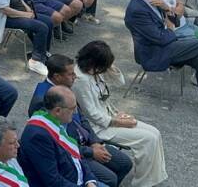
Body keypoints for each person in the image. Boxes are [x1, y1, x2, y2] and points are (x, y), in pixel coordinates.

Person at [72, 41, 168, 187]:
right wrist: (117, 121)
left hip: (111, 115)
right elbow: (91, 114)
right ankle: (143, 183)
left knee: (155, 132)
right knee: (148, 139)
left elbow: (120, 83)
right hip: (100, 127)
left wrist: (110, 67)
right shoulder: (81, 80)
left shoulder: (94, 69)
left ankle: (152, 178)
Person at [29, 56, 133, 187]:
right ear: (57, 76)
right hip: (72, 151)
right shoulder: (43, 101)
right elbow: (57, 142)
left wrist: (95, 142)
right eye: (71, 74)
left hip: (87, 141)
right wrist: (91, 152)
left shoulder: (65, 87)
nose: (75, 77)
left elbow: (82, 118)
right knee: (109, 178)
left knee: (124, 163)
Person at [18, 86, 101, 187]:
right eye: (72, 109)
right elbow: (53, 181)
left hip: (82, 180)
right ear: (58, 110)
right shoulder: (38, 136)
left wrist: (90, 180)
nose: (75, 112)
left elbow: (77, 155)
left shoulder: (60, 121)